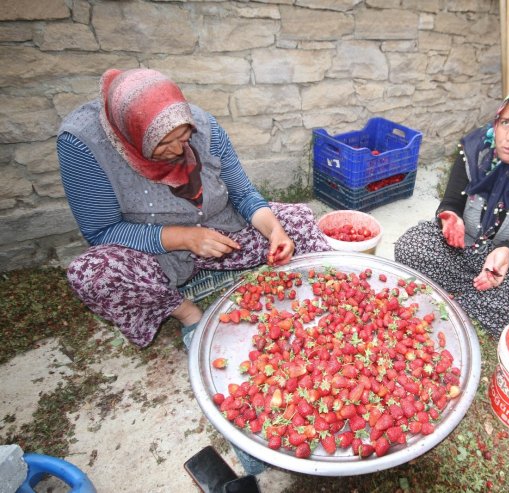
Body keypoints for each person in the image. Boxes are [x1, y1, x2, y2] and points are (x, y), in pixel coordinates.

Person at [57, 68, 331, 348]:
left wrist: (275, 232)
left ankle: (315, 294)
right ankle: (188, 314)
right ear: (133, 136)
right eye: (163, 143)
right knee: (93, 274)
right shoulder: (83, 145)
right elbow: (101, 231)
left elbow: (244, 194)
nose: (178, 151)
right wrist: (185, 238)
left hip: (223, 231)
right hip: (155, 251)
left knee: (299, 221)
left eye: (184, 139)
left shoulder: (204, 125)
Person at [394, 87, 509, 338]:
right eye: (505, 122)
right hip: (464, 247)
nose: (508, 136)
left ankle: (455, 300)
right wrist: (450, 217)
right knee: (410, 246)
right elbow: (451, 203)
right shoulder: (475, 149)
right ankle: (474, 301)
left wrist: (508, 252)